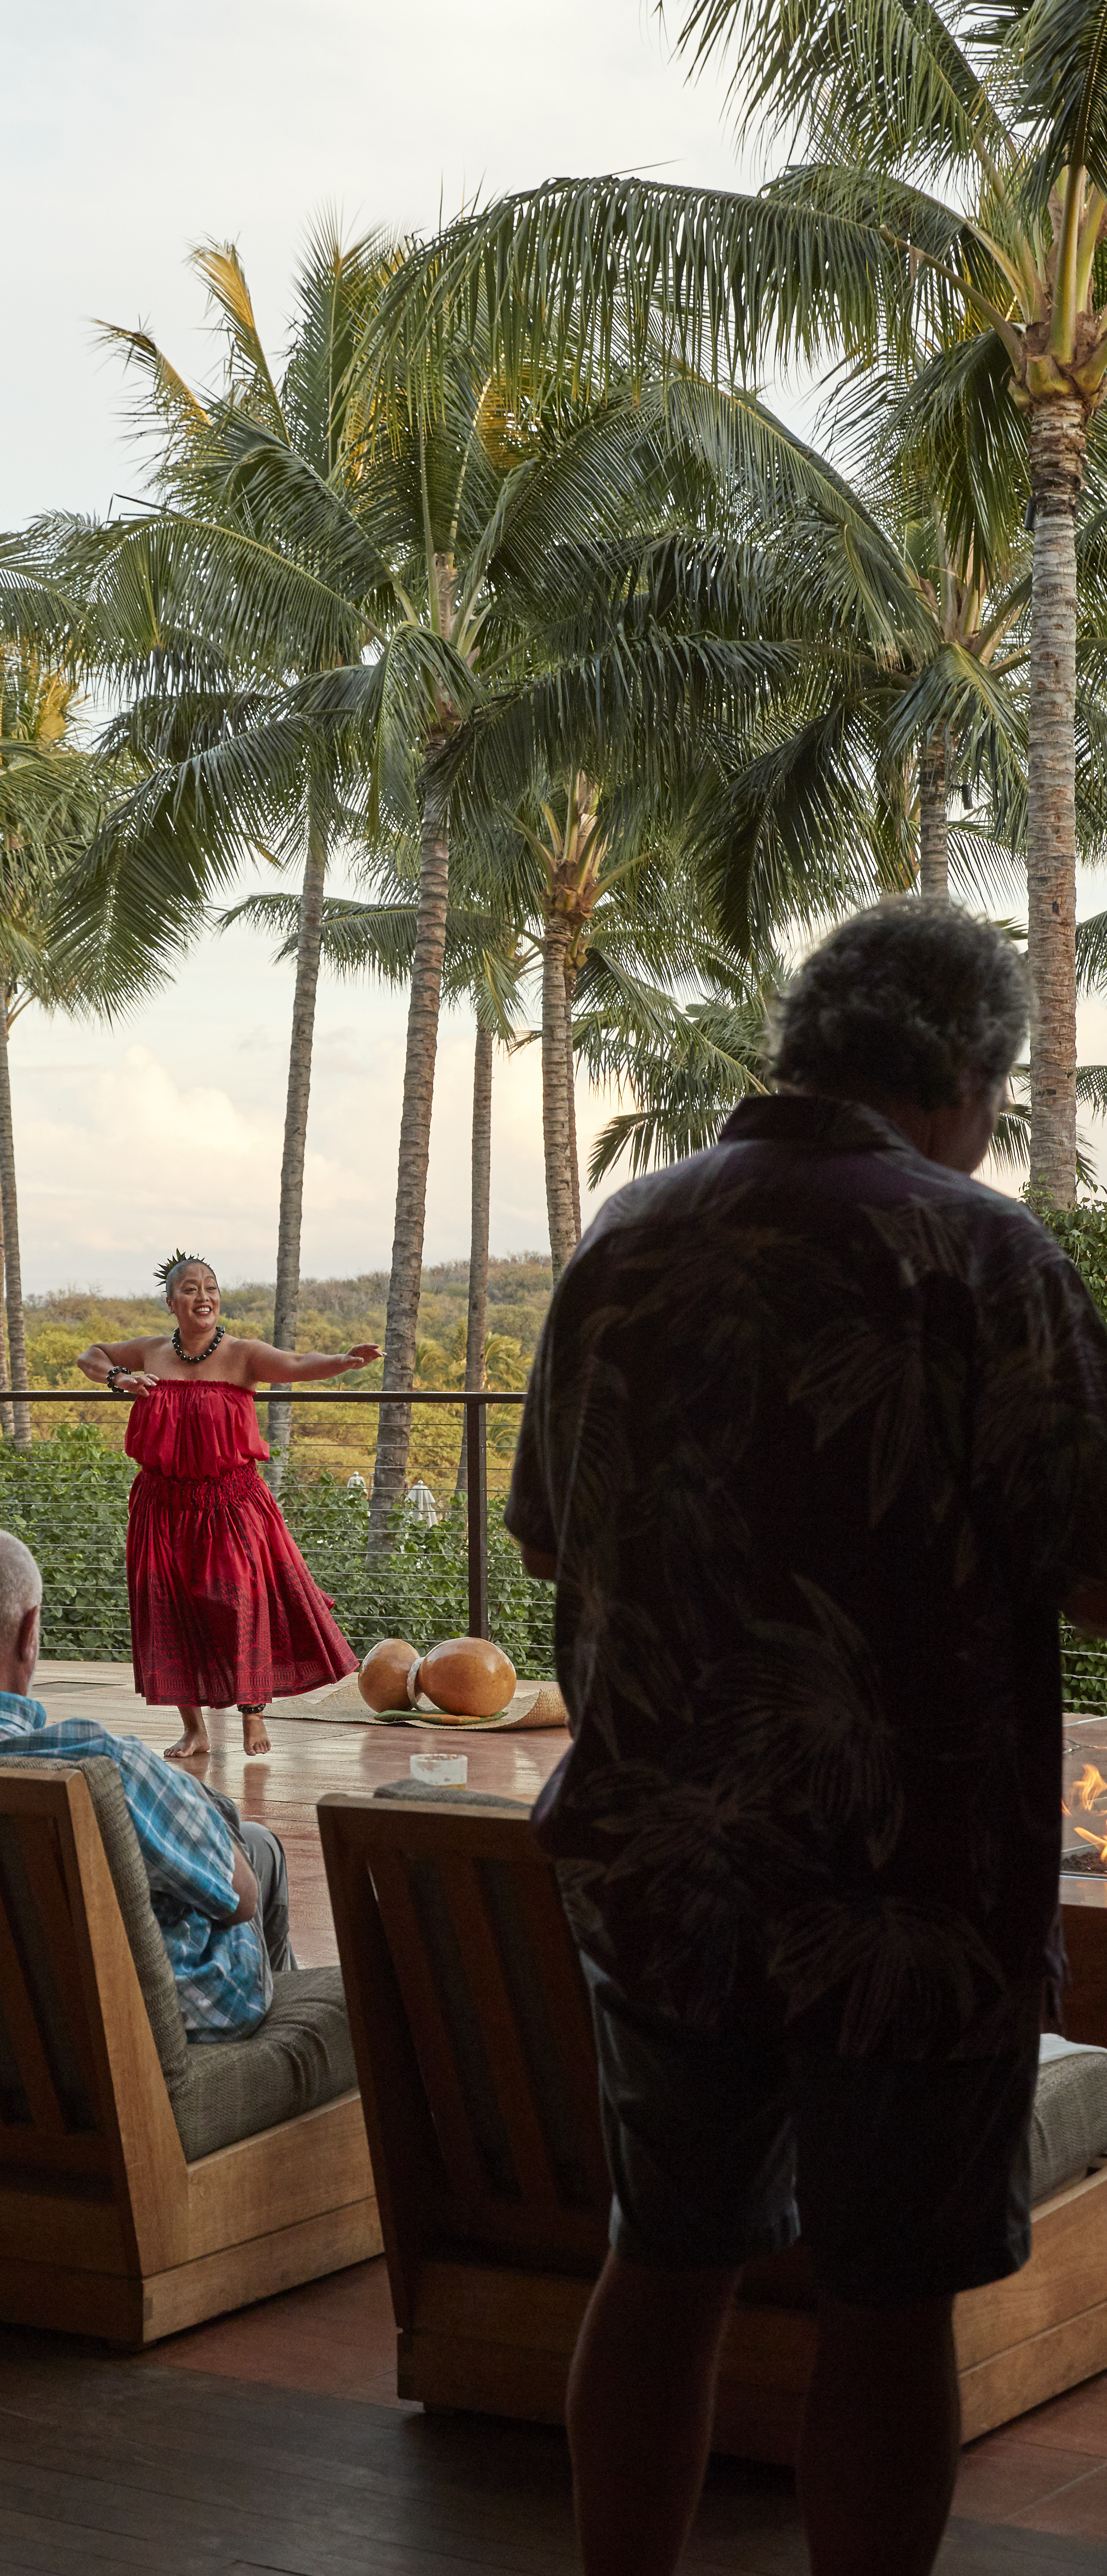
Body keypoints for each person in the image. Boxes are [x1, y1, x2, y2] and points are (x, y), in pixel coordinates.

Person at [504, 898, 1107, 2576]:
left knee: (667, 2258)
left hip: (658, 1863)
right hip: (901, 1886)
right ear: (967, 1080)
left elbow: (549, 1532)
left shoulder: (631, 1237)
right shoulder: (981, 1259)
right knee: (886, 2305)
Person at [0, 1526, 295, 2034]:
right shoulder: (103, 1764)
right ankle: (288, 2031)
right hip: (120, 2025)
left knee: (251, 1841)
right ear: (30, 1630)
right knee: (257, 1851)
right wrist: (198, 1803)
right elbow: (241, 1901)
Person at [77, 1252, 378, 1758]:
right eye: (191, 1289)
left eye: (211, 1287)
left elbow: (297, 1365)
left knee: (241, 1600)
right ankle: (194, 1729)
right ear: (172, 1302)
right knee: (168, 1608)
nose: (204, 1296)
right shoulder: (149, 1352)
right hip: (162, 1502)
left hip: (229, 1501)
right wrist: (118, 1378)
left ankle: (252, 1715)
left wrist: (342, 1363)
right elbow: (92, 1354)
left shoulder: (242, 1354)